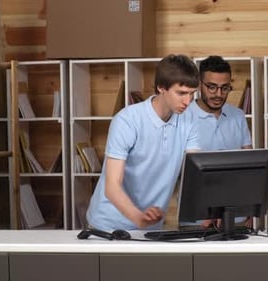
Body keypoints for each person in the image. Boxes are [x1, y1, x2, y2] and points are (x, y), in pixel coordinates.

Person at [85, 54, 201, 231]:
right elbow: (112, 186)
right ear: (161, 87)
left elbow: (195, 173)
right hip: (108, 224)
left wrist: (207, 211)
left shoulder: (190, 120)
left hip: (150, 226)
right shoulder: (127, 120)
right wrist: (137, 218)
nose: (188, 101)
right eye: (181, 93)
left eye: (192, 94)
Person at [180, 55, 252, 228]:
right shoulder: (182, 117)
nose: (218, 94)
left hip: (236, 218)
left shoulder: (238, 116)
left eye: (225, 88)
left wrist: (250, 212)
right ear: (199, 85)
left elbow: (250, 168)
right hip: (195, 220)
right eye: (212, 87)